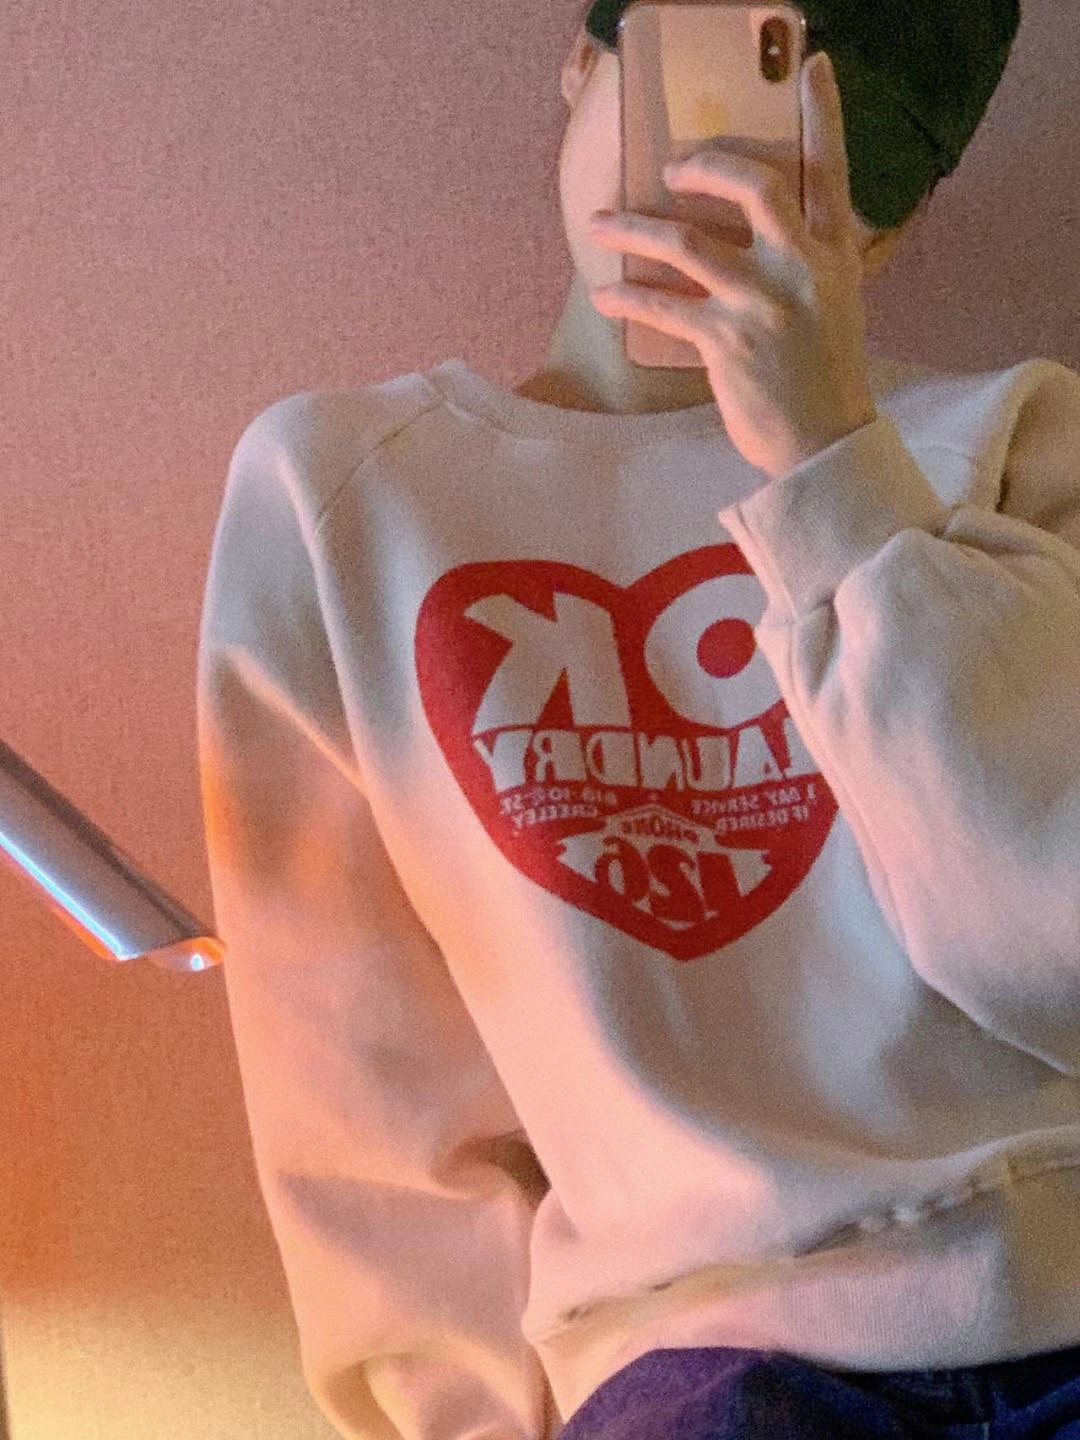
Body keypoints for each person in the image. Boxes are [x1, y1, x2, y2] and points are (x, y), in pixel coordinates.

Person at [196, 0, 1080, 1435]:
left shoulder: (1013, 442)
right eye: (701, 81)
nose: (724, 173)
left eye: (825, 136)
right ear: (582, 64)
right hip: (705, 1360)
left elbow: (1059, 959)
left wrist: (833, 470)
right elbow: (362, 1101)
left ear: (901, 220)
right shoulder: (342, 499)